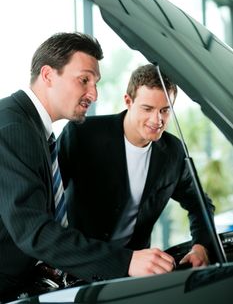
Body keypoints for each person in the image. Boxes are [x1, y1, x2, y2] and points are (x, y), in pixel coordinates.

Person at [0, 35, 176, 302]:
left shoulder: (33, 129)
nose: (93, 94)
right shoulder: (15, 129)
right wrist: (126, 261)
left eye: (96, 83)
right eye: (84, 80)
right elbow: (33, 231)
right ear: (48, 75)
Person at [58, 63, 215, 275]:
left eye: (165, 110)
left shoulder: (174, 152)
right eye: (148, 109)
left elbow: (200, 203)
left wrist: (201, 246)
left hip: (135, 274)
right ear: (128, 101)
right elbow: (48, 199)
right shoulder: (82, 135)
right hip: (78, 267)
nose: (157, 120)